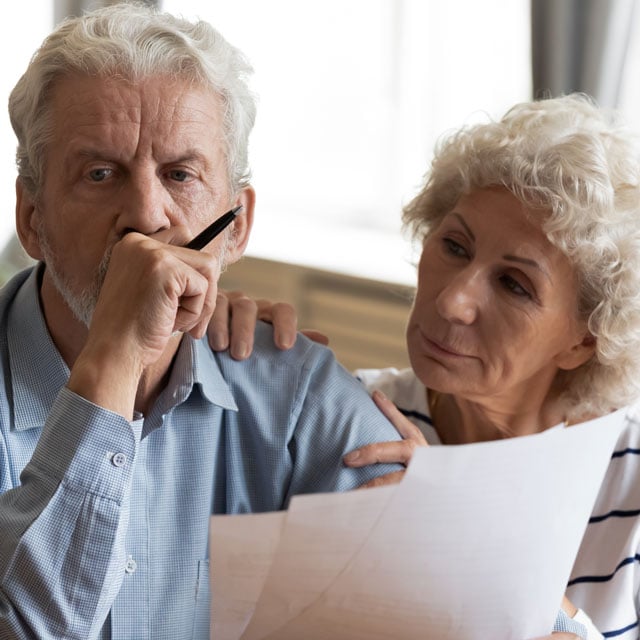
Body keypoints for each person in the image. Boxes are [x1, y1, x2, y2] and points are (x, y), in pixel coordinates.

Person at [0, 5, 406, 639]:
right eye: (99, 173)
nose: (145, 214)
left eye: (181, 174)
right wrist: (116, 352)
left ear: (236, 225)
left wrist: (442, 533)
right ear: (32, 218)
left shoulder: (294, 391)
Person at [213, 93, 640, 639]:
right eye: (456, 247)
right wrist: (222, 346)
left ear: (583, 341)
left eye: (515, 285)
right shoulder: (349, 419)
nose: (451, 301)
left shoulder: (626, 475)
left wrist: (472, 533)